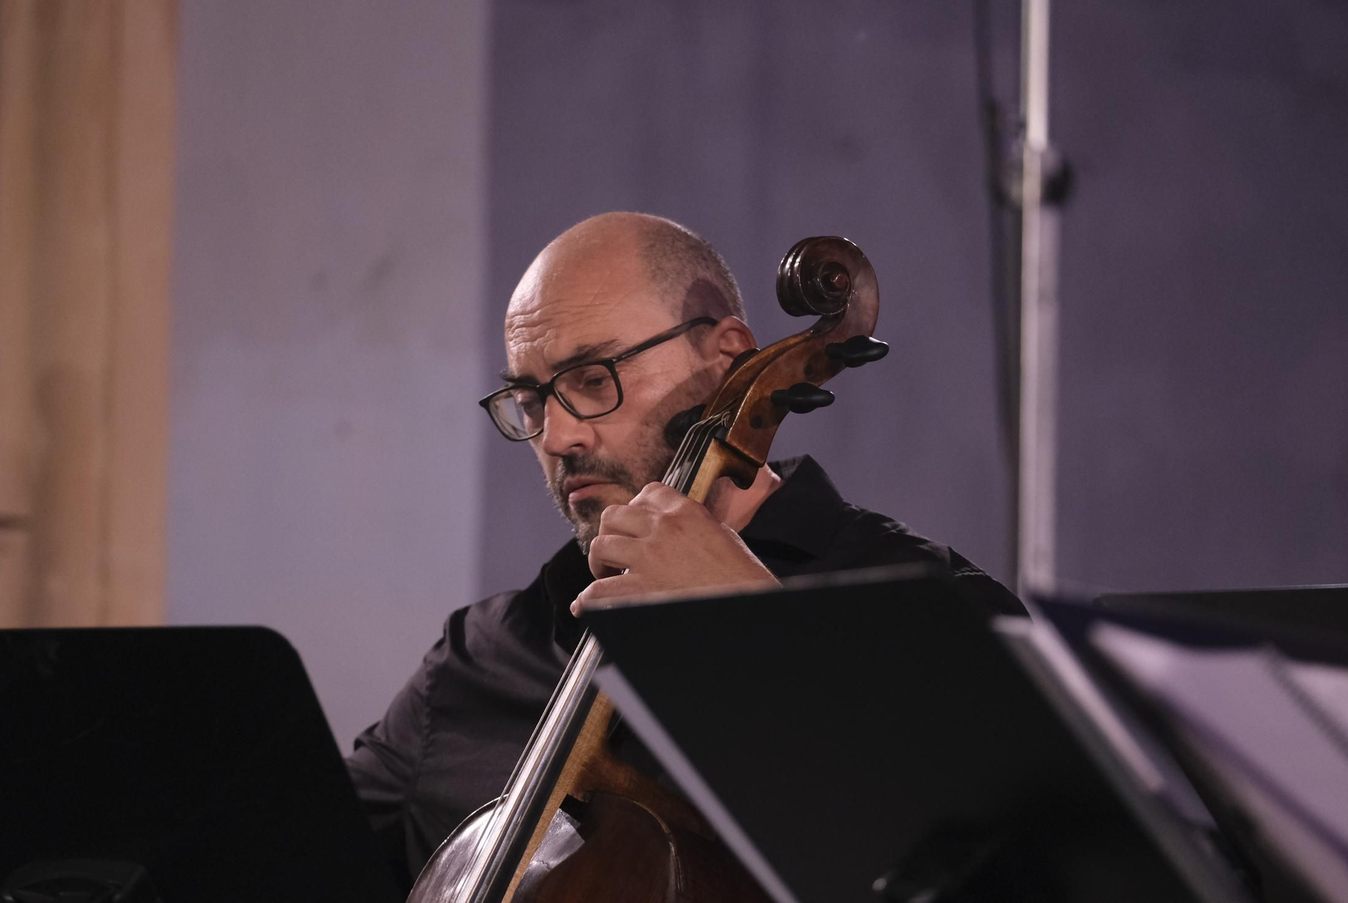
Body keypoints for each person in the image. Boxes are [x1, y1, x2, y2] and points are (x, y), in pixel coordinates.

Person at [346, 212, 1022, 889]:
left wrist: (765, 636)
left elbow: (1022, 875)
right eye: (530, 400)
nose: (556, 438)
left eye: (591, 377)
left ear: (724, 357)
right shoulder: (478, 658)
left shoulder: (932, 609)